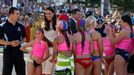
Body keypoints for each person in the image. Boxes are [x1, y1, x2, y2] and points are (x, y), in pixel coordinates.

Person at [0, 7, 26, 75]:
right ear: (11, 14)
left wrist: (20, 42)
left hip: (19, 53)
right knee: (6, 73)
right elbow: (0, 41)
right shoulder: (2, 26)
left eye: (19, 14)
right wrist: (10, 43)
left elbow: (24, 38)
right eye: (17, 14)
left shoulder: (21, 26)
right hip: (8, 53)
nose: (18, 16)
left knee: (21, 73)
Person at [41, 6, 58, 75]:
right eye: (46, 13)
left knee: (52, 71)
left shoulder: (58, 23)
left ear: (53, 13)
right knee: (44, 71)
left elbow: (60, 38)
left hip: (54, 51)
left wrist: (52, 44)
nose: (47, 15)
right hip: (45, 51)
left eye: (49, 13)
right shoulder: (43, 23)